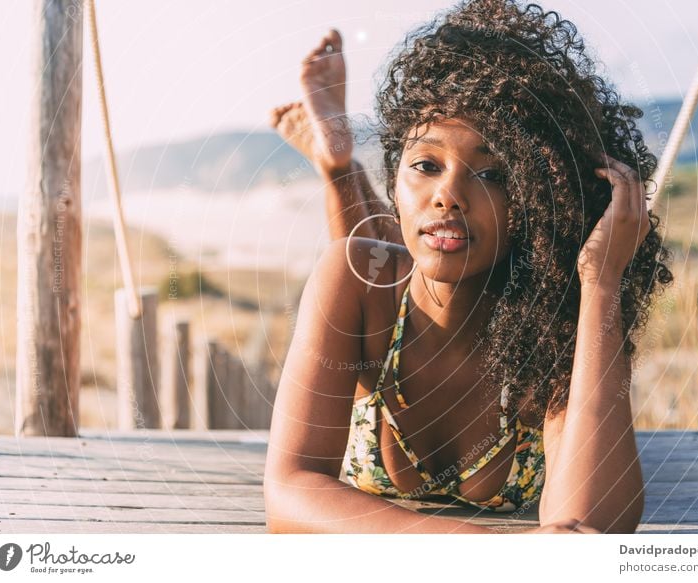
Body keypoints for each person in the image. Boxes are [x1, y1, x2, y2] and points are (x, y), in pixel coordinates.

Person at [264, 0, 674, 534]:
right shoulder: (351, 278)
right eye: (425, 165)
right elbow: (289, 492)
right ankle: (338, 165)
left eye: (495, 174)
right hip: (383, 288)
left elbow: (595, 525)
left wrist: (601, 281)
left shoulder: (550, 324)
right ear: (396, 174)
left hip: (496, 281)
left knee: (408, 247)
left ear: (540, 199)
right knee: (372, 254)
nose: (450, 194)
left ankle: (340, 165)